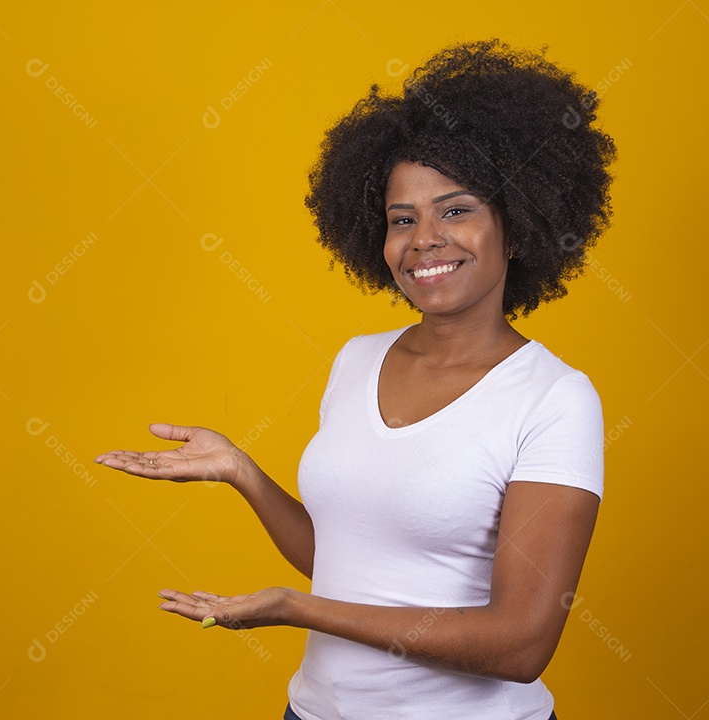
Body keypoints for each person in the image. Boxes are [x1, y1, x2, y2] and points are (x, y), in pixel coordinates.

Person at [95, 38, 616, 720]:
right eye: (403, 219)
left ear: (516, 229)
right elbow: (349, 565)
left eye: (455, 210)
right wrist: (244, 473)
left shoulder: (554, 399)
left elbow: (521, 646)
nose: (424, 238)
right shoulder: (357, 360)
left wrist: (294, 610)